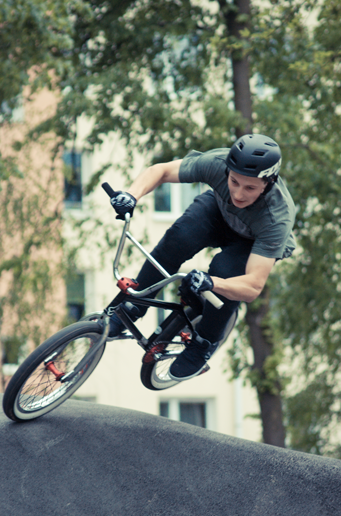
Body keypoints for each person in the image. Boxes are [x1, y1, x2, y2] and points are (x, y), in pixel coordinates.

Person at [108, 134, 296, 381]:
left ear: (268, 183)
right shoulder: (217, 163)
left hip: (252, 243)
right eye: (234, 182)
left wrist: (211, 283)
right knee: (179, 237)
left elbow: (253, 286)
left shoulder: (277, 217)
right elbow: (161, 171)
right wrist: (131, 195)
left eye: (250, 188)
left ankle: (204, 343)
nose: (238, 194)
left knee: (224, 270)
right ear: (227, 171)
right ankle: (134, 304)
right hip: (218, 213)